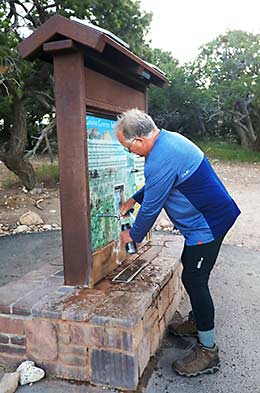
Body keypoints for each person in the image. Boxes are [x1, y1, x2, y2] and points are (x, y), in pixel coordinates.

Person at [115, 108, 240, 377]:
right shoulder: (167, 142)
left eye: (127, 148)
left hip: (209, 224)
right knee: (191, 268)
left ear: (138, 140)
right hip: (209, 218)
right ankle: (197, 321)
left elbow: (151, 209)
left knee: (195, 280)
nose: (130, 152)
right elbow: (160, 182)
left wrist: (132, 236)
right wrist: (134, 199)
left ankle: (208, 351)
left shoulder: (159, 157)